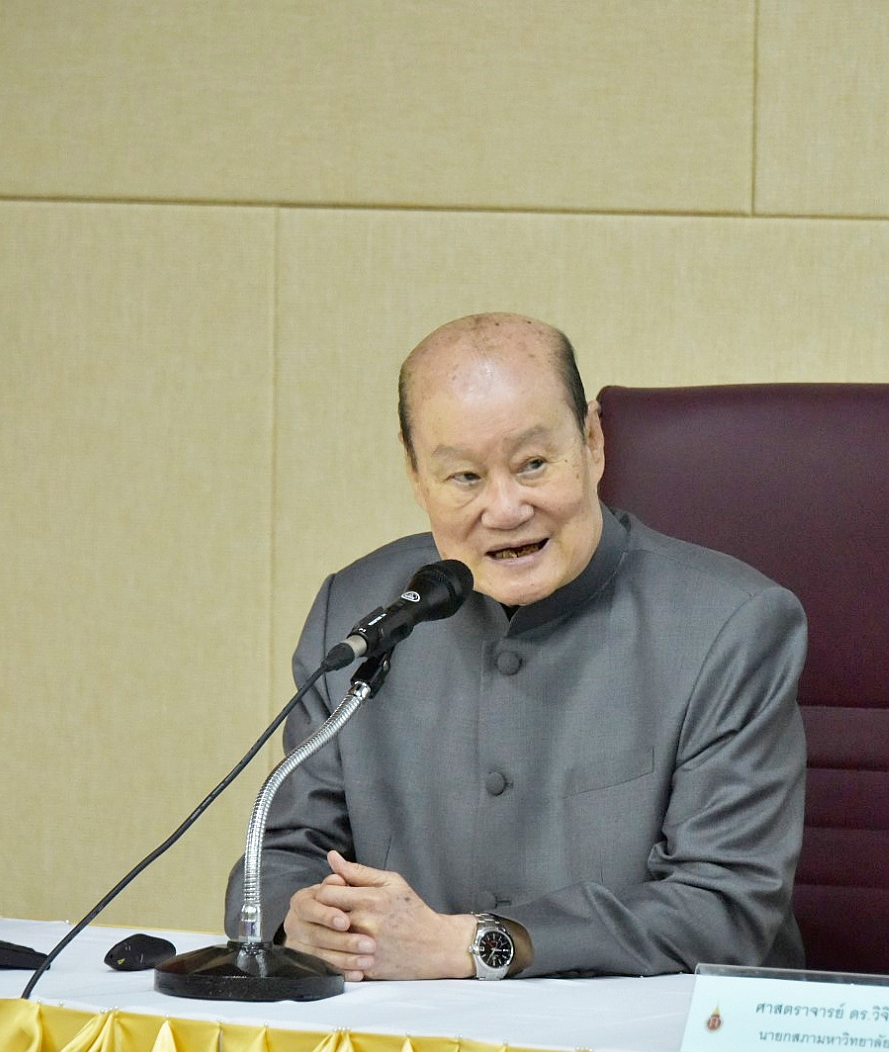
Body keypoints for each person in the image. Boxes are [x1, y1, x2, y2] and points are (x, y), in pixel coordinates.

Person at [224, 312, 807, 980]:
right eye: (464, 478)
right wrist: (300, 920)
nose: (504, 510)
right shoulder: (359, 613)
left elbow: (723, 908)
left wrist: (469, 946)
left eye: (532, 465)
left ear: (592, 441)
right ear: (415, 474)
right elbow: (283, 851)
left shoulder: (729, 625)